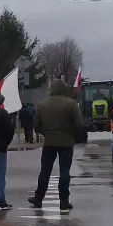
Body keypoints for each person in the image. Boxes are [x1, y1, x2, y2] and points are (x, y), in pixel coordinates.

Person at [27, 79, 85, 211]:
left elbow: (36, 126)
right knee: (65, 171)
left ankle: (38, 198)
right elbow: (79, 124)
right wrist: (72, 135)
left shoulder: (42, 105)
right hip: (67, 142)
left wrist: (46, 133)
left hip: (49, 142)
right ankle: (64, 201)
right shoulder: (71, 104)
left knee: (45, 171)